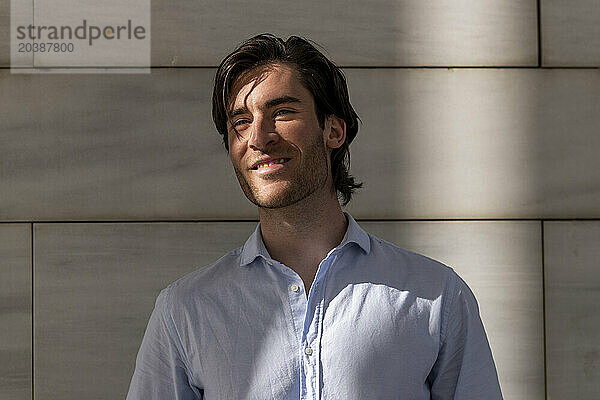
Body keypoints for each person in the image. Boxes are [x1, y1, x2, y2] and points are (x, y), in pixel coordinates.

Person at [126, 34, 503, 400]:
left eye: (282, 112)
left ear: (333, 130)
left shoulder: (437, 297)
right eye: (240, 121)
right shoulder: (185, 311)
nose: (258, 136)